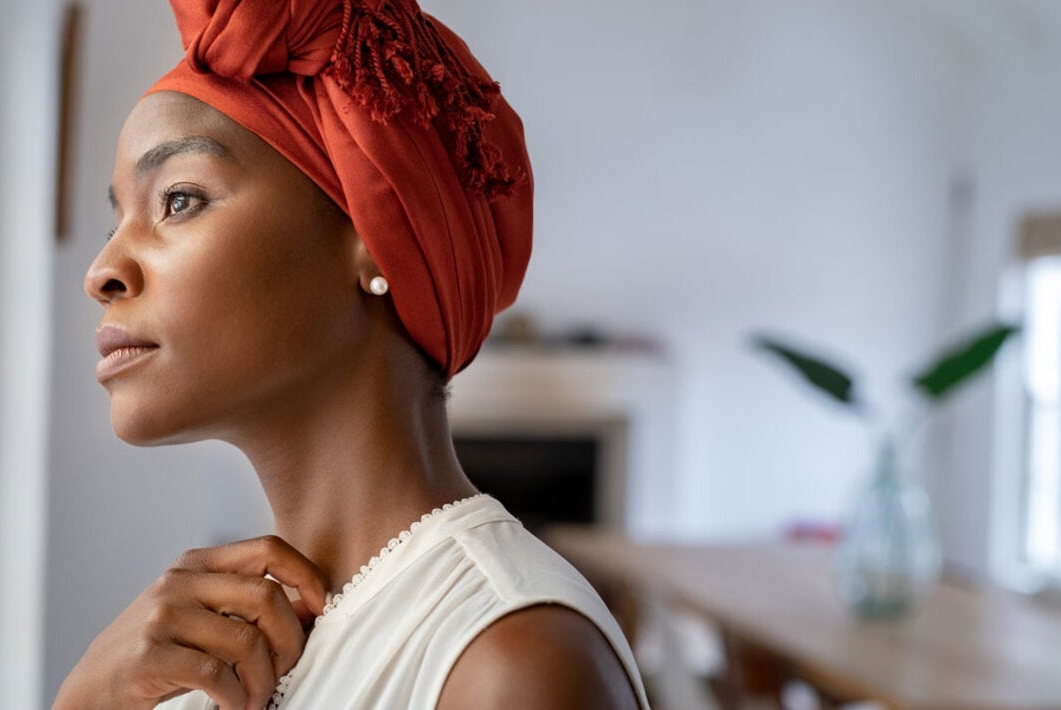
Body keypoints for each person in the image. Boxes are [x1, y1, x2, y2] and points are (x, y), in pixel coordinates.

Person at [53, 1, 652, 708]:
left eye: (178, 200)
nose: (102, 271)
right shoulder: (200, 642)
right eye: (114, 218)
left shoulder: (509, 662)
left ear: (376, 233)